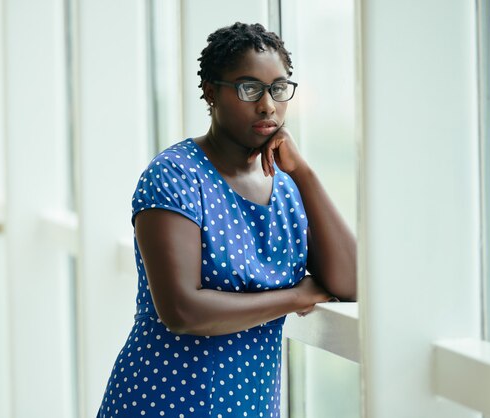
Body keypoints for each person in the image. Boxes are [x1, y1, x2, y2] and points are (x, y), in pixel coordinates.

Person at [97, 22, 356, 418]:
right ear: (211, 92)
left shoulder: (286, 187)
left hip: (248, 407)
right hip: (160, 403)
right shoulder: (175, 176)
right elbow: (182, 310)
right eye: (249, 88)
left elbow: (351, 282)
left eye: (278, 88)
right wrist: (295, 298)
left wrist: (303, 171)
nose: (267, 104)